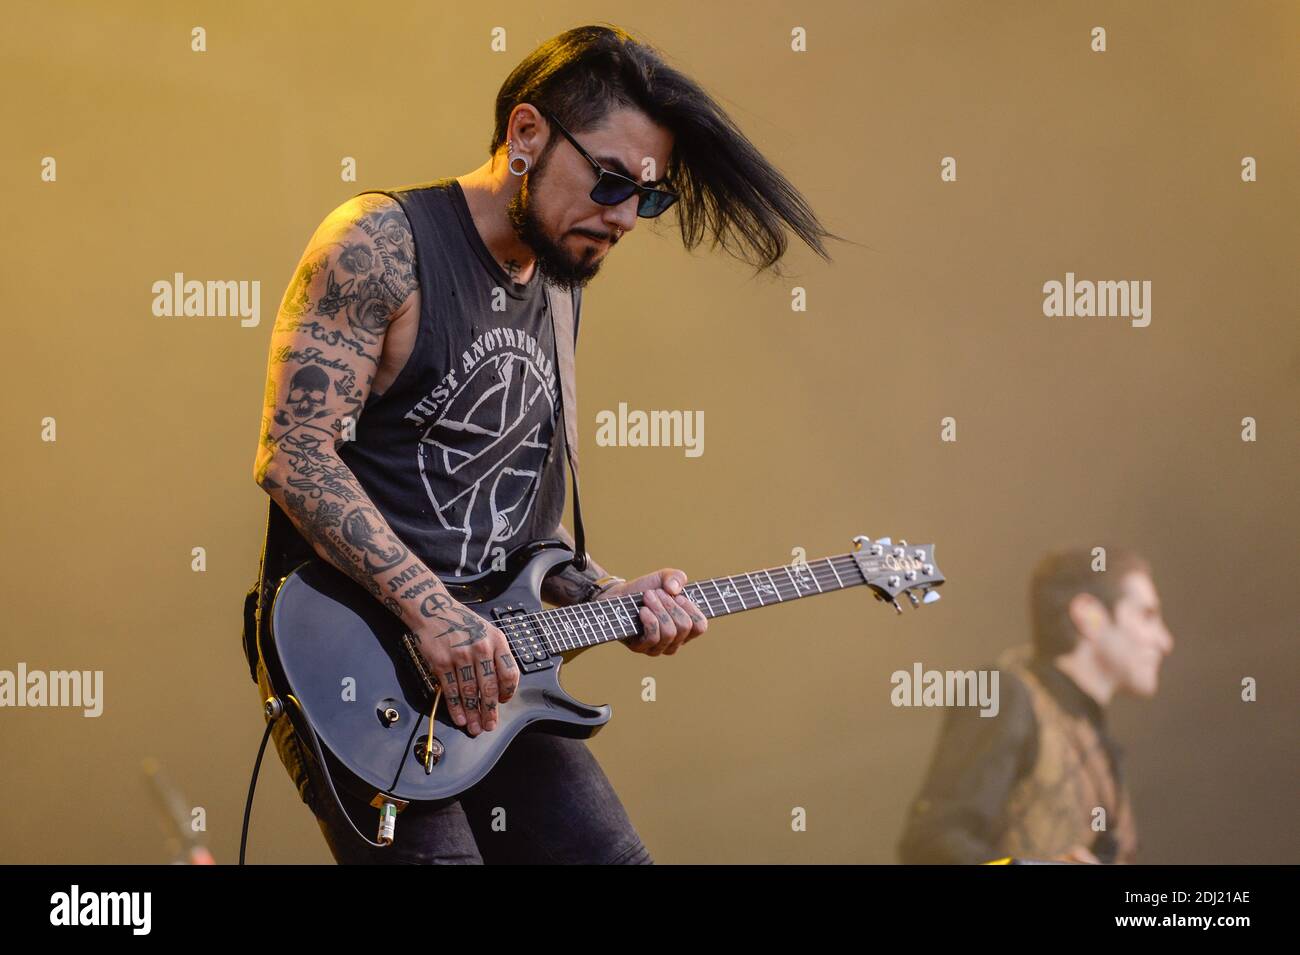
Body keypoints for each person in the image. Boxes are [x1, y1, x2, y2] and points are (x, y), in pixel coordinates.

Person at [244, 24, 839, 864]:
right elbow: (293, 453)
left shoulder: (558, 291)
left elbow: (526, 537)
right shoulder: (379, 243)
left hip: (492, 666)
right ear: (526, 135)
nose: (626, 216)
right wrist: (434, 613)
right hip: (359, 660)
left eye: (649, 196)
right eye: (608, 181)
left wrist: (609, 592)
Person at [897, 547, 1174, 864]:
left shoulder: (1091, 734)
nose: (1165, 641)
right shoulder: (1005, 694)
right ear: (1089, 614)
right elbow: (930, 845)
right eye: (1147, 615)